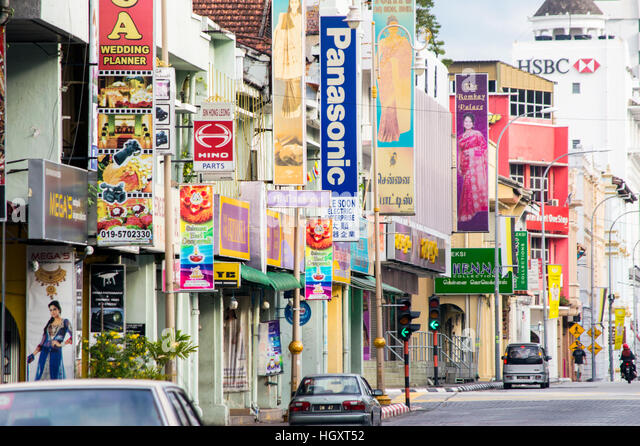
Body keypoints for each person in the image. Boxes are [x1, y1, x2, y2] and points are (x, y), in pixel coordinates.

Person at [377, 16, 413, 143]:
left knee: (393, 103)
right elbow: (377, 58)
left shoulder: (403, 41)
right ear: (387, 27)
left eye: (395, 26)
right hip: (385, 76)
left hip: (397, 75)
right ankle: (385, 132)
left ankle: (393, 132)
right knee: (386, 104)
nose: (393, 29)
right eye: (391, 26)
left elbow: (408, 58)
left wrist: (395, 61)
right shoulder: (382, 41)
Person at [27, 300, 72, 381]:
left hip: (56, 353)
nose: (53, 312)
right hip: (44, 353)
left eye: (54, 309)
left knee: (55, 377)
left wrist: (61, 344)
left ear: (59, 310)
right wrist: (33, 355)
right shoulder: (49, 324)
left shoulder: (65, 322)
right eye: (50, 310)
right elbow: (41, 343)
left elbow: (74, 336)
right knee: (42, 377)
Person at [273, 0, 303, 119]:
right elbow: (276, 33)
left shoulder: (301, 18)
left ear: (299, 4)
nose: (294, 5)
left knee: (295, 81)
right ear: (289, 4)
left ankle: (295, 108)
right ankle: (287, 111)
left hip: (296, 53)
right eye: (292, 2)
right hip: (286, 53)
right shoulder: (284, 17)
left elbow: (299, 36)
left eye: (296, 2)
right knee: (288, 82)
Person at [457, 113, 489, 224]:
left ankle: (475, 213)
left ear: (473, 123)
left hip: (475, 167)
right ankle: (467, 214)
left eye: (469, 122)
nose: (467, 123)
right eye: (466, 121)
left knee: (472, 187)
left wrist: (471, 152)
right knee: (467, 188)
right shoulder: (460, 137)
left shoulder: (477, 134)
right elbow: (460, 152)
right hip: (465, 165)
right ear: (463, 123)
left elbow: (484, 149)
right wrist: (459, 166)